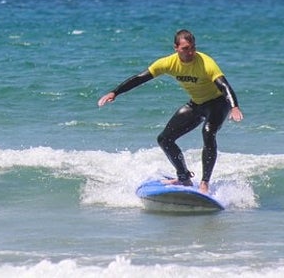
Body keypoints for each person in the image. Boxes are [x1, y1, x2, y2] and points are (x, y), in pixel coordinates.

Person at [97, 30, 243, 194]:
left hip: (218, 103)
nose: (190, 52)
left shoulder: (205, 62)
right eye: (186, 48)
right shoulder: (167, 63)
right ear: (176, 48)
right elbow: (140, 78)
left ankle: (204, 183)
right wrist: (115, 92)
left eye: (192, 48)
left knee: (208, 132)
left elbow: (224, 86)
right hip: (197, 104)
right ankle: (183, 177)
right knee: (164, 139)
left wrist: (234, 106)